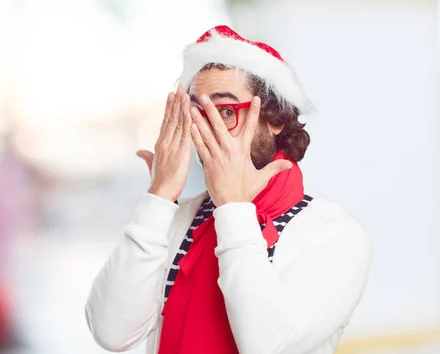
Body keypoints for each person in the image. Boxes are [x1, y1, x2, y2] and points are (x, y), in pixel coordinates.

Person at [85, 25, 371, 354]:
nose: (209, 132)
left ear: (275, 118)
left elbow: (268, 344)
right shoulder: (180, 217)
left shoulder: (334, 234)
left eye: (225, 111)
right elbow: (111, 332)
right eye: (197, 114)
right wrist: (159, 196)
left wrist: (233, 206)